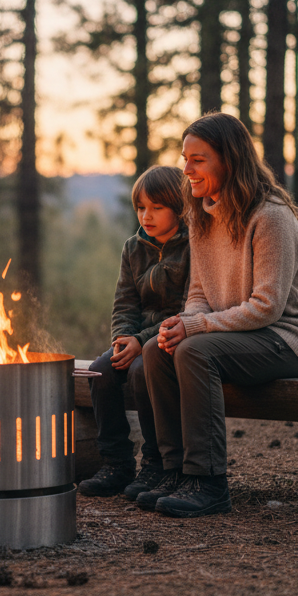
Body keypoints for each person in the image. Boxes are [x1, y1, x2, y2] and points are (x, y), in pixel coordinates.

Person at [137, 112, 298, 518]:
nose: (186, 169)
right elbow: (200, 293)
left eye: (198, 159)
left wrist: (196, 327)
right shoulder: (202, 216)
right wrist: (183, 323)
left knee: (194, 352)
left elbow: (266, 306)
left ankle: (208, 482)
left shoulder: (271, 217)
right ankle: (174, 472)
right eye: (185, 158)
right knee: (157, 348)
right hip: (238, 336)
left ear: (229, 159)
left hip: (289, 339)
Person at [76, 166, 191, 500]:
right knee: (100, 370)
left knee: (143, 371)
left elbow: (190, 307)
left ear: (178, 206)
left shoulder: (194, 247)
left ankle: (155, 462)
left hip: (175, 337)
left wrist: (143, 342)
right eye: (141, 208)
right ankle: (116, 463)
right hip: (137, 339)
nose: (146, 215)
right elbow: (124, 302)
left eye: (156, 208)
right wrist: (123, 339)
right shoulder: (133, 248)